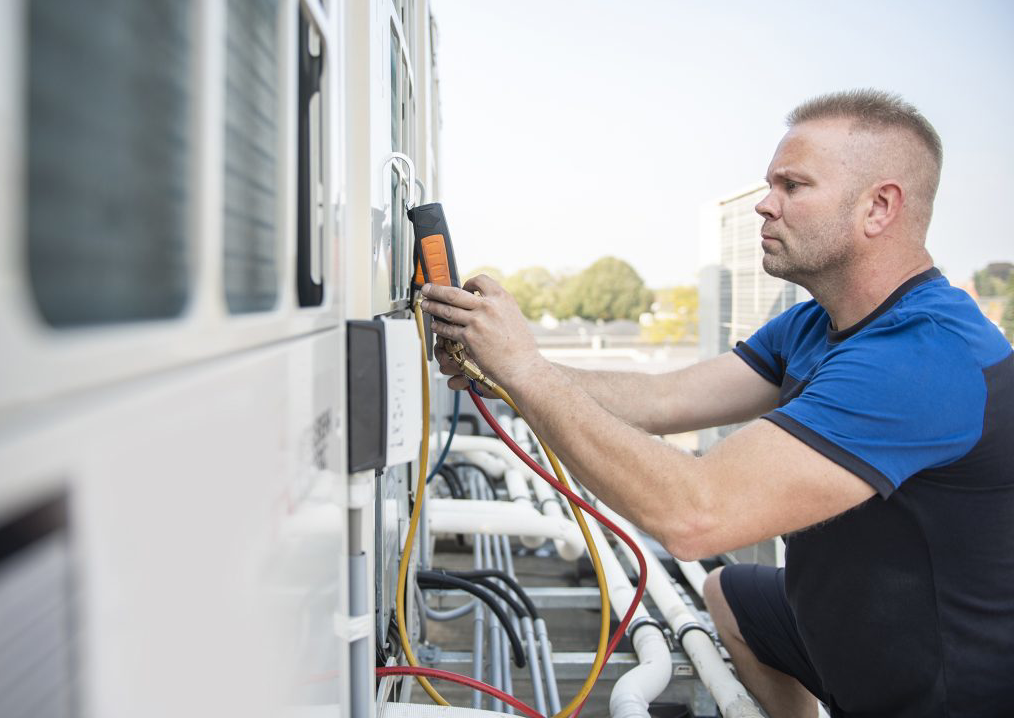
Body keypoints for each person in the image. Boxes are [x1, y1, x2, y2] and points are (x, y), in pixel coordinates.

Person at [419, 89, 1014, 717]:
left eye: (792, 185)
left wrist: (528, 371)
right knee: (730, 594)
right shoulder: (818, 322)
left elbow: (697, 515)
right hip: (855, 636)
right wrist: (506, 373)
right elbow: (664, 396)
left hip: (943, 693)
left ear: (879, 207)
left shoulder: (923, 357)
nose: (765, 203)